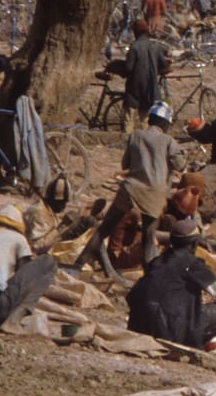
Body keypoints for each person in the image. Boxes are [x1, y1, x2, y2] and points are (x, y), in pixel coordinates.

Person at [75, 103, 185, 276]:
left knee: (104, 229)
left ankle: (77, 265)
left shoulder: (136, 135)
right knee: (148, 239)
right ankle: (149, 278)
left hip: (131, 188)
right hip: (154, 193)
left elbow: (125, 164)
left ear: (149, 119)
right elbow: (180, 164)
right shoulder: (169, 142)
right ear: (166, 125)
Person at [126, 216, 216, 350]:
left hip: (140, 325)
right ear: (195, 244)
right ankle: (194, 343)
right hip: (169, 328)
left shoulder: (157, 261)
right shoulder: (193, 264)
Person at [119, 20, 171, 132]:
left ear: (135, 33)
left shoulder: (134, 47)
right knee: (145, 119)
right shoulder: (155, 46)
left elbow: (128, 68)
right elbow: (164, 65)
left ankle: (128, 142)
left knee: (129, 119)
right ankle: (146, 141)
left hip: (134, 89)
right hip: (150, 89)